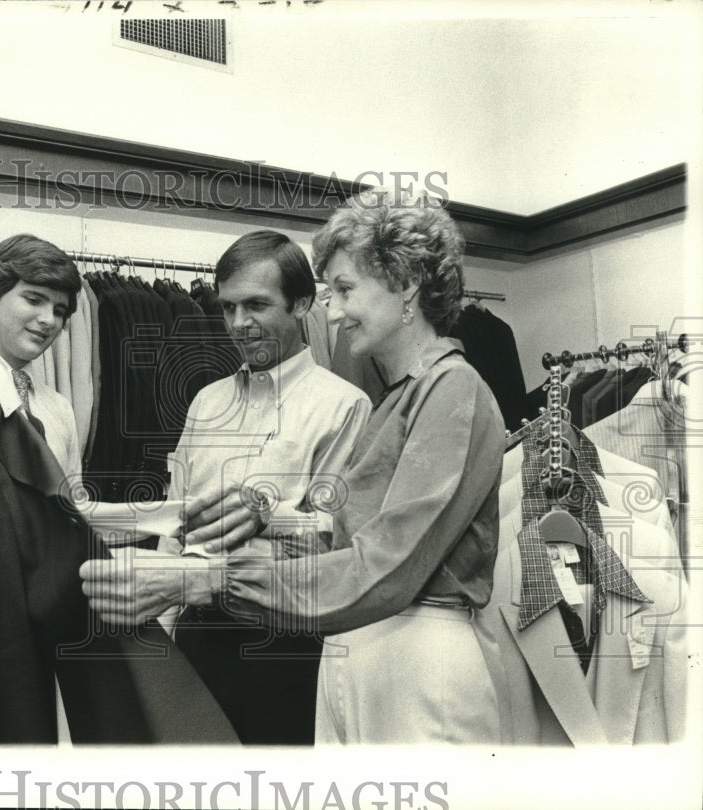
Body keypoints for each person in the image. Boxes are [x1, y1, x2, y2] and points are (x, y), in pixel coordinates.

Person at [82, 194, 507, 744]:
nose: (331, 312)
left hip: (416, 660)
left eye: (345, 290)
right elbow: (340, 541)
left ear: (406, 285)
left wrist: (209, 576)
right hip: (362, 650)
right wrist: (266, 514)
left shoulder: (454, 391)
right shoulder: (399, 399)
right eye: (330, 293)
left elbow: (385, 567)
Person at [0, 234, 238, 744]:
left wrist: (171, 514)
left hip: (28, 615)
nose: (47, 321)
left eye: (60, 310)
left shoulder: (57, 410)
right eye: (32, 299)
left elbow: (64, 517)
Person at [82, 230, 371, 744]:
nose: (240, 324)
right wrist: (165, 635)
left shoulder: (344, 406)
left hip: (284, 641)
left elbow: (336, 542)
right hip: (196, 634)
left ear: (302, 302)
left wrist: (266, 513)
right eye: (229, 307)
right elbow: (176, 524)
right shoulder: (205, 402)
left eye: (257, 305)